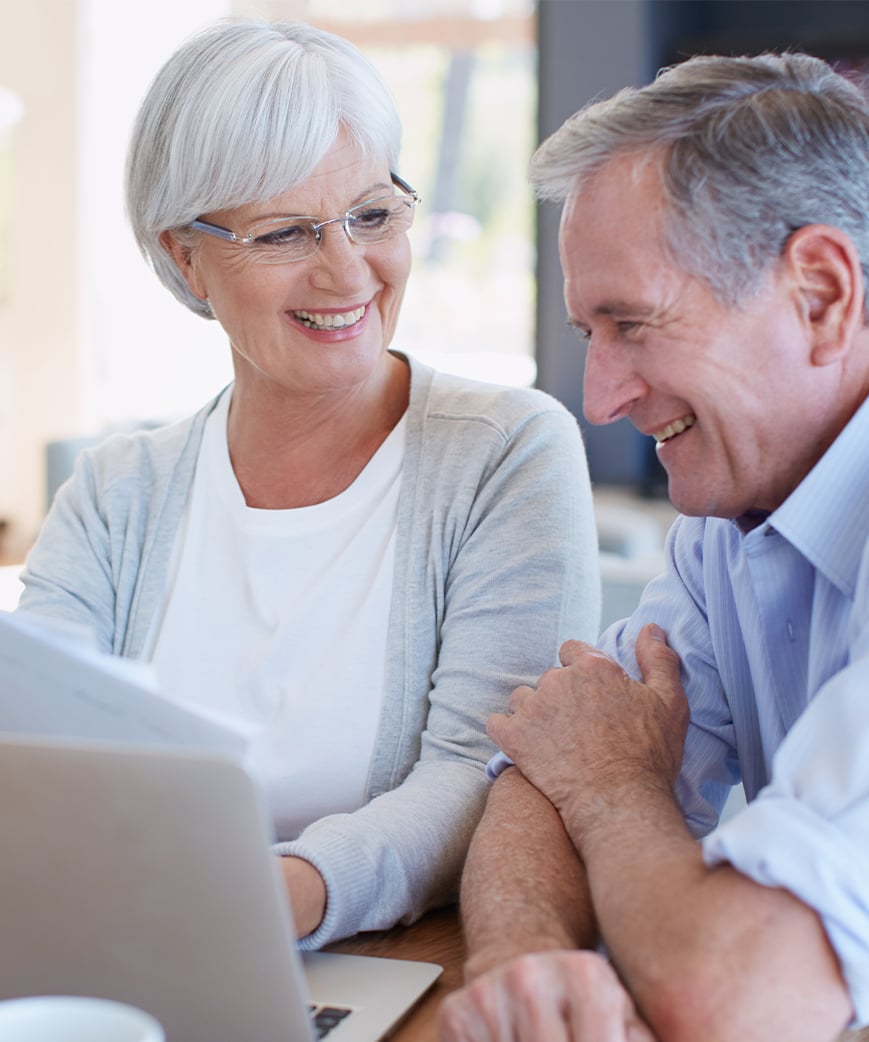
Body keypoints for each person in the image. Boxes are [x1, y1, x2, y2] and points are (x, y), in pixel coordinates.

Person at [15, 20, 600, 949]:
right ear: (185, 258)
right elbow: (31, 758)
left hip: (375, 969)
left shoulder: (506, 451)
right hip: (130, 951)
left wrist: (272, 897)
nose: (345, 270)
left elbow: (480, 772)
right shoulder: (116, 492)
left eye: (371, 215)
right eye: (286, 232)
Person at [439, 50, 869, 1042]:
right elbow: (541, 769)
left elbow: (732, 994)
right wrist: (526, 965)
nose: (599, 399)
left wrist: (609, 783)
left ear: (818, 293)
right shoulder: (723, 525)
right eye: (590, 331)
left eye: (631, 324)